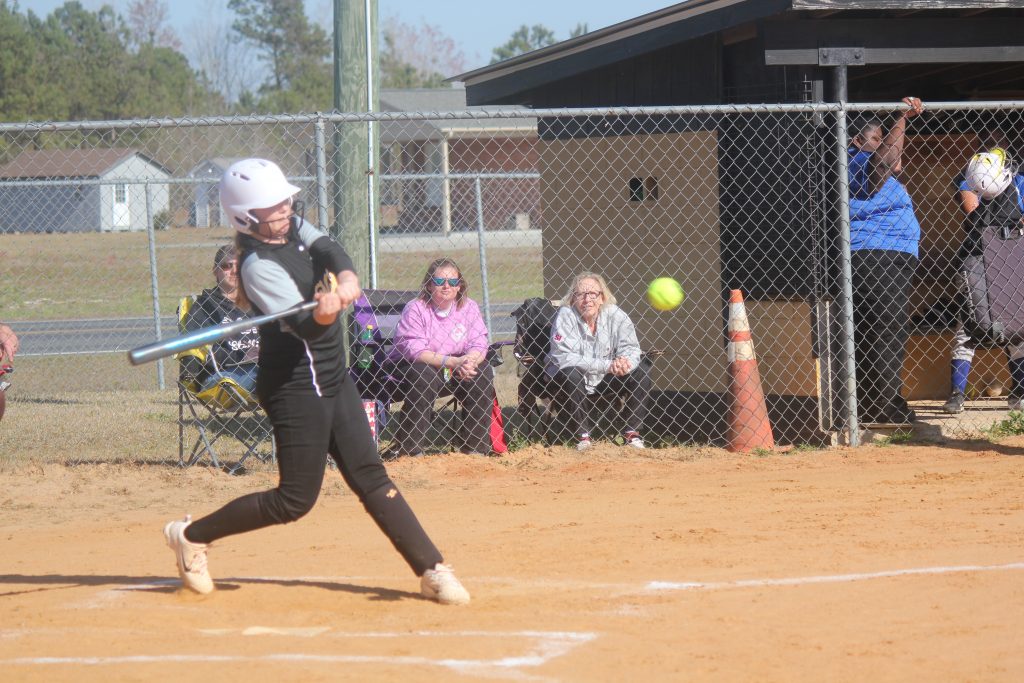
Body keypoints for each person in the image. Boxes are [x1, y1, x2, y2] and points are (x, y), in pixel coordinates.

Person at [163, 158, 470, 605]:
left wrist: (345, 279)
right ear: (246, 217)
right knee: (294, 500)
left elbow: (328, 247)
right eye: (274, 204)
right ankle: (191, 535)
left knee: (370, 474)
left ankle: (432, 568)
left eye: (285, 198)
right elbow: (308, 326)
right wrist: (326, 307)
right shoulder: (255, 266)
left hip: (332, 376)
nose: (286, 206)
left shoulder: (290, 227)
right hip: (293, 388)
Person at [847, 96, 924, 424]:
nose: (885, 145)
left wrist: (902, 121)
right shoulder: (853, 160)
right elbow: (883, 163)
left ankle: (872, 405)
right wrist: (900, 118)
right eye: (876, 139)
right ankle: (886, 406)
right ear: (857, 141)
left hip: (888, 254)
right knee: (888, 328)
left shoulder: (867, 159)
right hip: (878, 254)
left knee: (876, 329)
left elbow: (893, 159)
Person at [942, 147, 1024, 414]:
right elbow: (971, 209)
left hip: (1009, 257)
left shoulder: (1018, 182)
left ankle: (1019, 391)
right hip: (976, 257)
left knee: (1015, 325)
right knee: (969, 325)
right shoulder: (970, 178)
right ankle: (957, 393)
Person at [386, 258, 494, 458]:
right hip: (412, 368)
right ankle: (410, 450)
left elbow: (479, 342)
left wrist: (469, 360)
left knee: (482, 370)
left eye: (453, 282)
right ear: (429, 285)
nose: (447, 286)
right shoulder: (416, 308)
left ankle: (476, 449)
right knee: (423, 373)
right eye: (440, 282)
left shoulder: (469, 307)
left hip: (454, 366)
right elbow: (415, 351)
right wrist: (453, 361)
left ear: (459, 285)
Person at [546, 272, 651, 451]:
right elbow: (564, 357)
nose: (587, 299)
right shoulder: (566, 315)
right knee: (571, 373)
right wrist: (608, 365)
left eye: (593, 294)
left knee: (642, 369)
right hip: (569, 380)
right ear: (573, 299)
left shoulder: (615, 314)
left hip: (605, 377)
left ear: (602, 297)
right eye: (580, 294)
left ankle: (632, 435)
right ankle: (583, 437)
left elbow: (632, 348)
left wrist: (624, 362)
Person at [181, 244, 258, 397]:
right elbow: (197, 349)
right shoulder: (204, 306)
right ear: (215, 271)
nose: (234, 271)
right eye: (227, 266)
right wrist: (240, 355)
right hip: (224, 375)